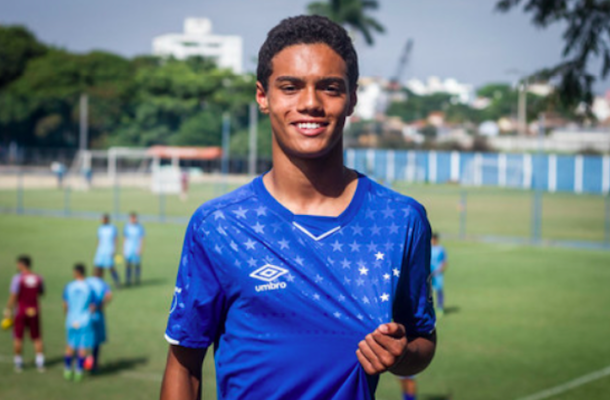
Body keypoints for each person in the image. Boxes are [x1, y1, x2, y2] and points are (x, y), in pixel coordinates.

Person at [160, 15, 436, 400]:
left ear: (352, 98)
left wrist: (401, 353)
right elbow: (184, 367)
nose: (310, 103)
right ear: (263, 96)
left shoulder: (400, 220)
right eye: (290, 87)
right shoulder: (219, 225)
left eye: (330, 88)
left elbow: (423, 339)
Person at [4, 255, 45, 373]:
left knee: (18, 337)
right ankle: (40, 362)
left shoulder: (17, 278)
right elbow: (41, 292)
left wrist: (8, 308)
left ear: (22, 264)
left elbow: (14, 295)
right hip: (34, 310)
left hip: (21, 311)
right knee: (37, 337)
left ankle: (18, 362)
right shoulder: (38, 277)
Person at [63, 263, 95, 382]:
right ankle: (79, 371)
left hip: (71, 319)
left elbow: (65, 304)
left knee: (70, 345)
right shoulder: (89, 287)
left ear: (76, 272)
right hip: (85, 320)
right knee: (82, 346)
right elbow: (92, 306)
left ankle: (67, 369)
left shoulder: (69, 286)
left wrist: (69, 315)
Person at [86, 268, 112, 372]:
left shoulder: (86, 282)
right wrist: (101, 304)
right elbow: (109, 296)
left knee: (85, 339)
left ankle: (83, 362)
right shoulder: (103, 284)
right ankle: (94, 363)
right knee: (96, 340)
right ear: (101, 274)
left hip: (85, 315)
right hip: (97, 315)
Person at [94, 214, 120, 287]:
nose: (102, 220)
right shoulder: (100, 228)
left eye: (103, 219)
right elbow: (99, 239)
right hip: (100, 251)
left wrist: (114, 250)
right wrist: (97, 249)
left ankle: (117, 282)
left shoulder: (112, 228)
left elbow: (115, 239)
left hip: (109, 251)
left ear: (107, 219)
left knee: (111, 267)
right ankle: (98, 284)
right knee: (98, 268)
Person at [123, 212, 145, 286]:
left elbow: (141, 239)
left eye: (134, 218)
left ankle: (137, 279)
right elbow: (125, 238)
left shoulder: (139, 227)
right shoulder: (127, 227)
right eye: (132, 218)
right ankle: (128, 280)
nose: (133, 219)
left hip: (136, 248)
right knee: (128, 264)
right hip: (128, 248)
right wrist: (124, 249)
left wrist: (140, 248)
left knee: (137, 264)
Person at [430, 232, 448, 316]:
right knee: (428, 291)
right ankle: (429, 307)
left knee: (439, 290)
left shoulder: (441, 249)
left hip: (438, 273)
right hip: (429, 272)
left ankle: (440, 307)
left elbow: (445, 262)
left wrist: (441, 269)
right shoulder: (428, 248)